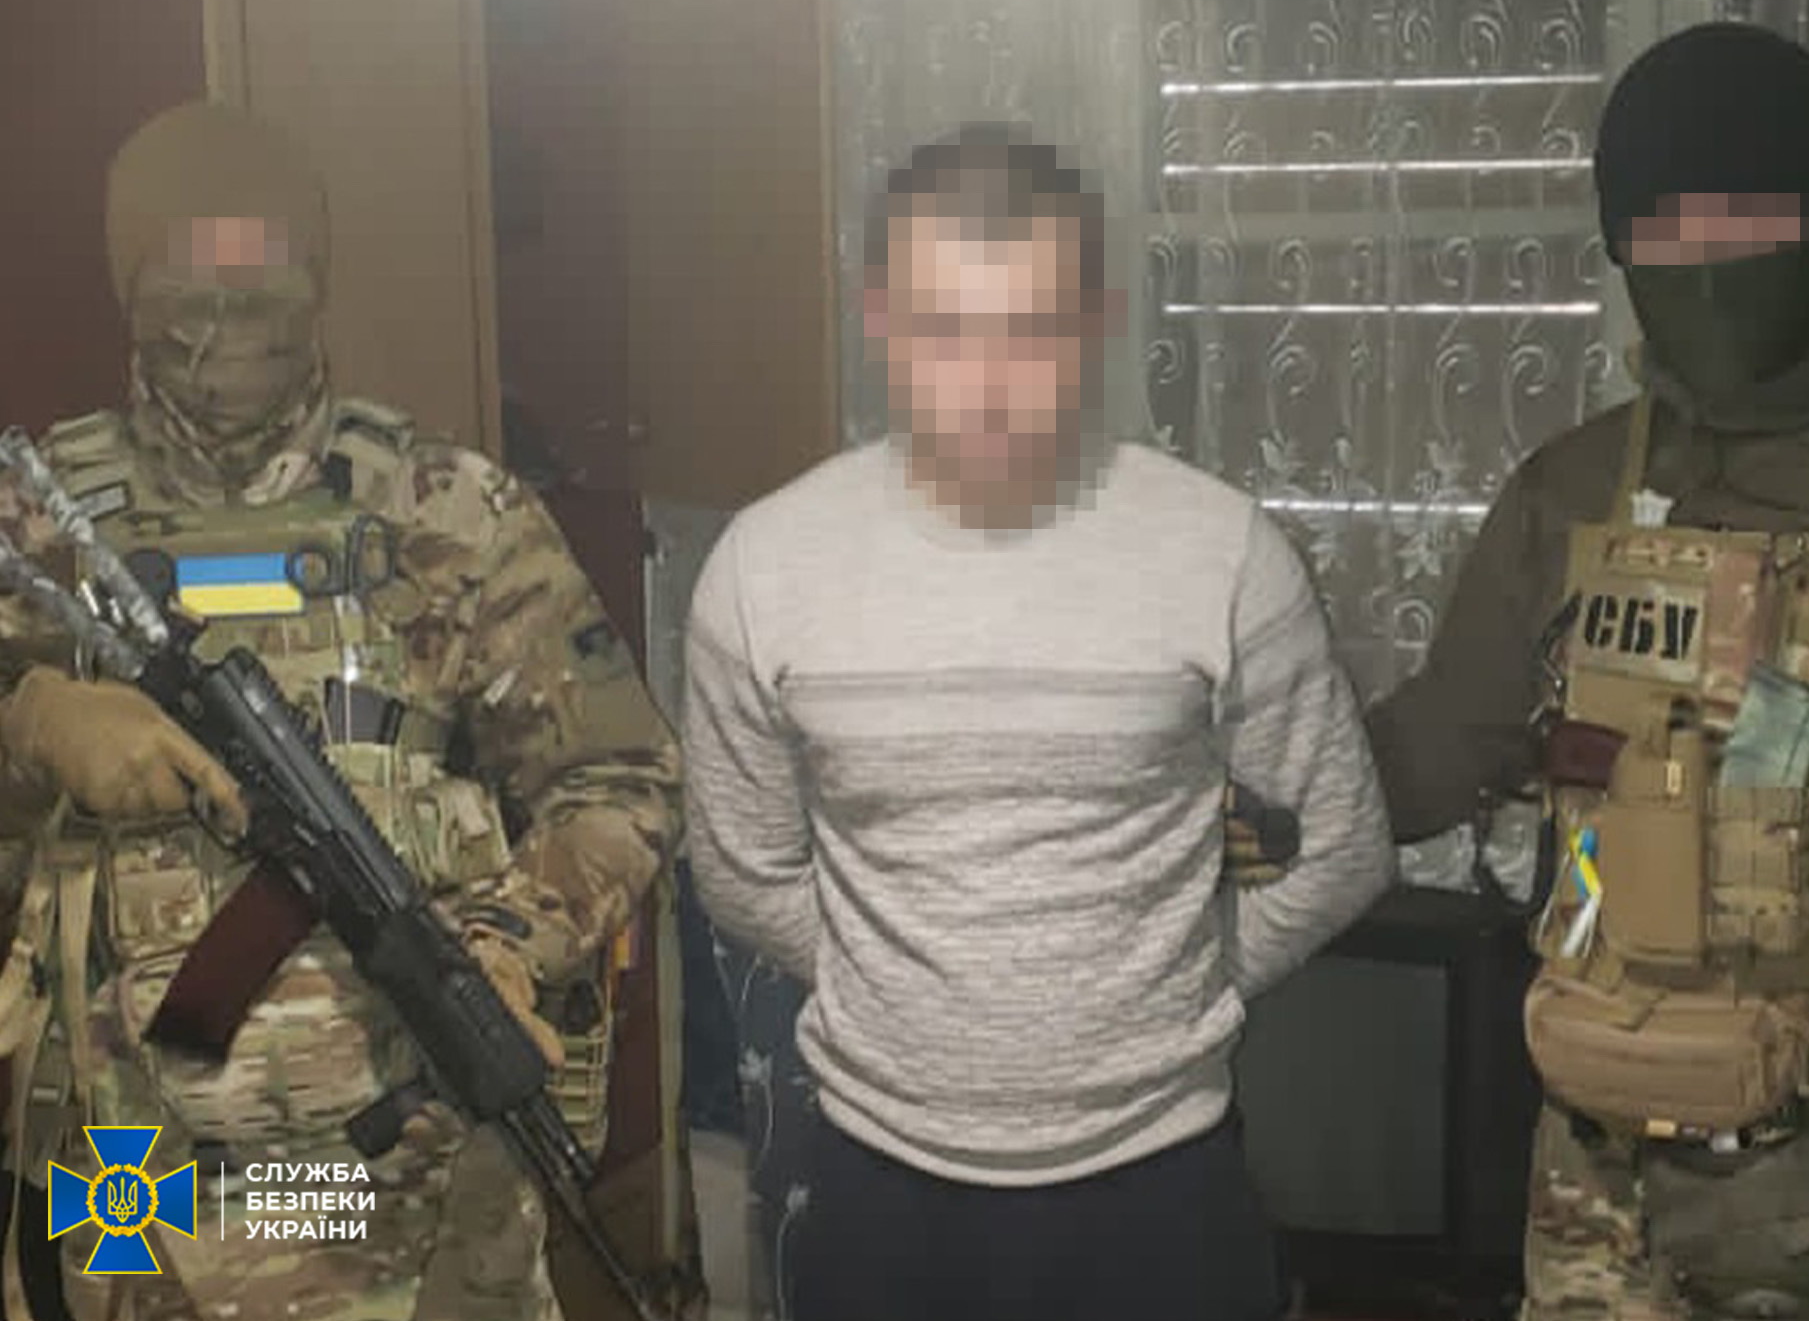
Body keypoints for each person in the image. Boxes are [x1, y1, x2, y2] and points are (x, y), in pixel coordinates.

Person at [682, 121, 1395, 1321]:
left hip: (1160, 1185)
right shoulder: (764, 570)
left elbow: (1336, 847)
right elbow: (744, 871)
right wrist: (906, 992)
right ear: (878, 317)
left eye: (1031, 328)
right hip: (877, 1189)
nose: (988, 378)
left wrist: (1178, 984)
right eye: (945, 329)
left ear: (1096, 321)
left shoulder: (1218, 549)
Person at [0, 102, 692, 1321]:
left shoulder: (449, 513)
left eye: (261, 270)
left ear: (315, 274)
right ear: (129, 281)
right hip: (130, 1166)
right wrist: (30, 723)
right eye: (189, 271)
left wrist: (508, 942)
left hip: (408, 1163)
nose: (228, 312)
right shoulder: (38, 524)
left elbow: (621, 774)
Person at [1364, 23, 1809, 1321]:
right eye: (1664, 222)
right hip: (1606, 1197)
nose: (1707, 255)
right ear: (1619, 244)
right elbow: (1437, 747)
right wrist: (1202, 802)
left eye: (1748, 209)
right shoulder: (1571, 488)